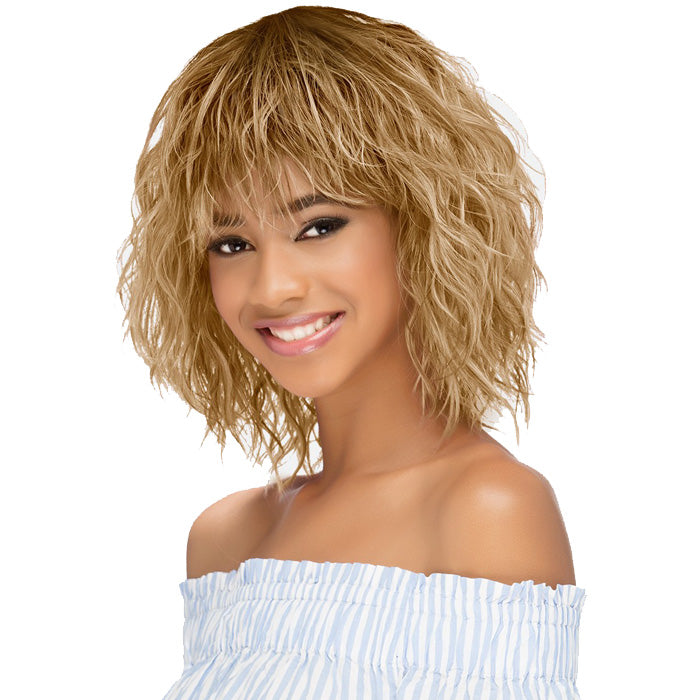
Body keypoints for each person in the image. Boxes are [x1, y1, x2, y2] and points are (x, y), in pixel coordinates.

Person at [116, 6, 586, 698]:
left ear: (423, 221)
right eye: (232, 243)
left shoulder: (488, 511)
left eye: (318, 226)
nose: (272, 287)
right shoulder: (223, 542)